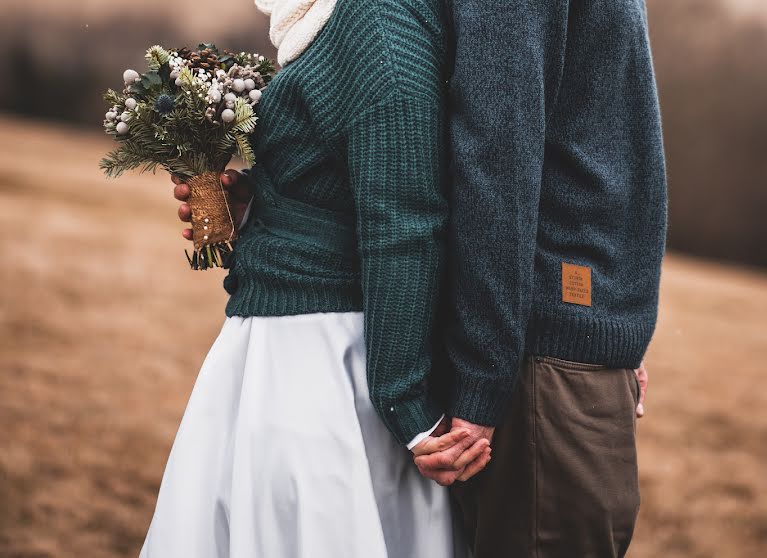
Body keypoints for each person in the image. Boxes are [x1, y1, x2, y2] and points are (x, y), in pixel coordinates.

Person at [141, 0, 488, 556]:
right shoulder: (323, 21)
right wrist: (258, 204)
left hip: (330, 373)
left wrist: (406, 404)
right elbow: (338, 181)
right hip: (279, 350)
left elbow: (403, 221)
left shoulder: (378, 21)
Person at [411, 1, 667, 557]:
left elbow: (529, 145)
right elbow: (505, 149)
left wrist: (617, 321)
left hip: (562, 363)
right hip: (544, 363)